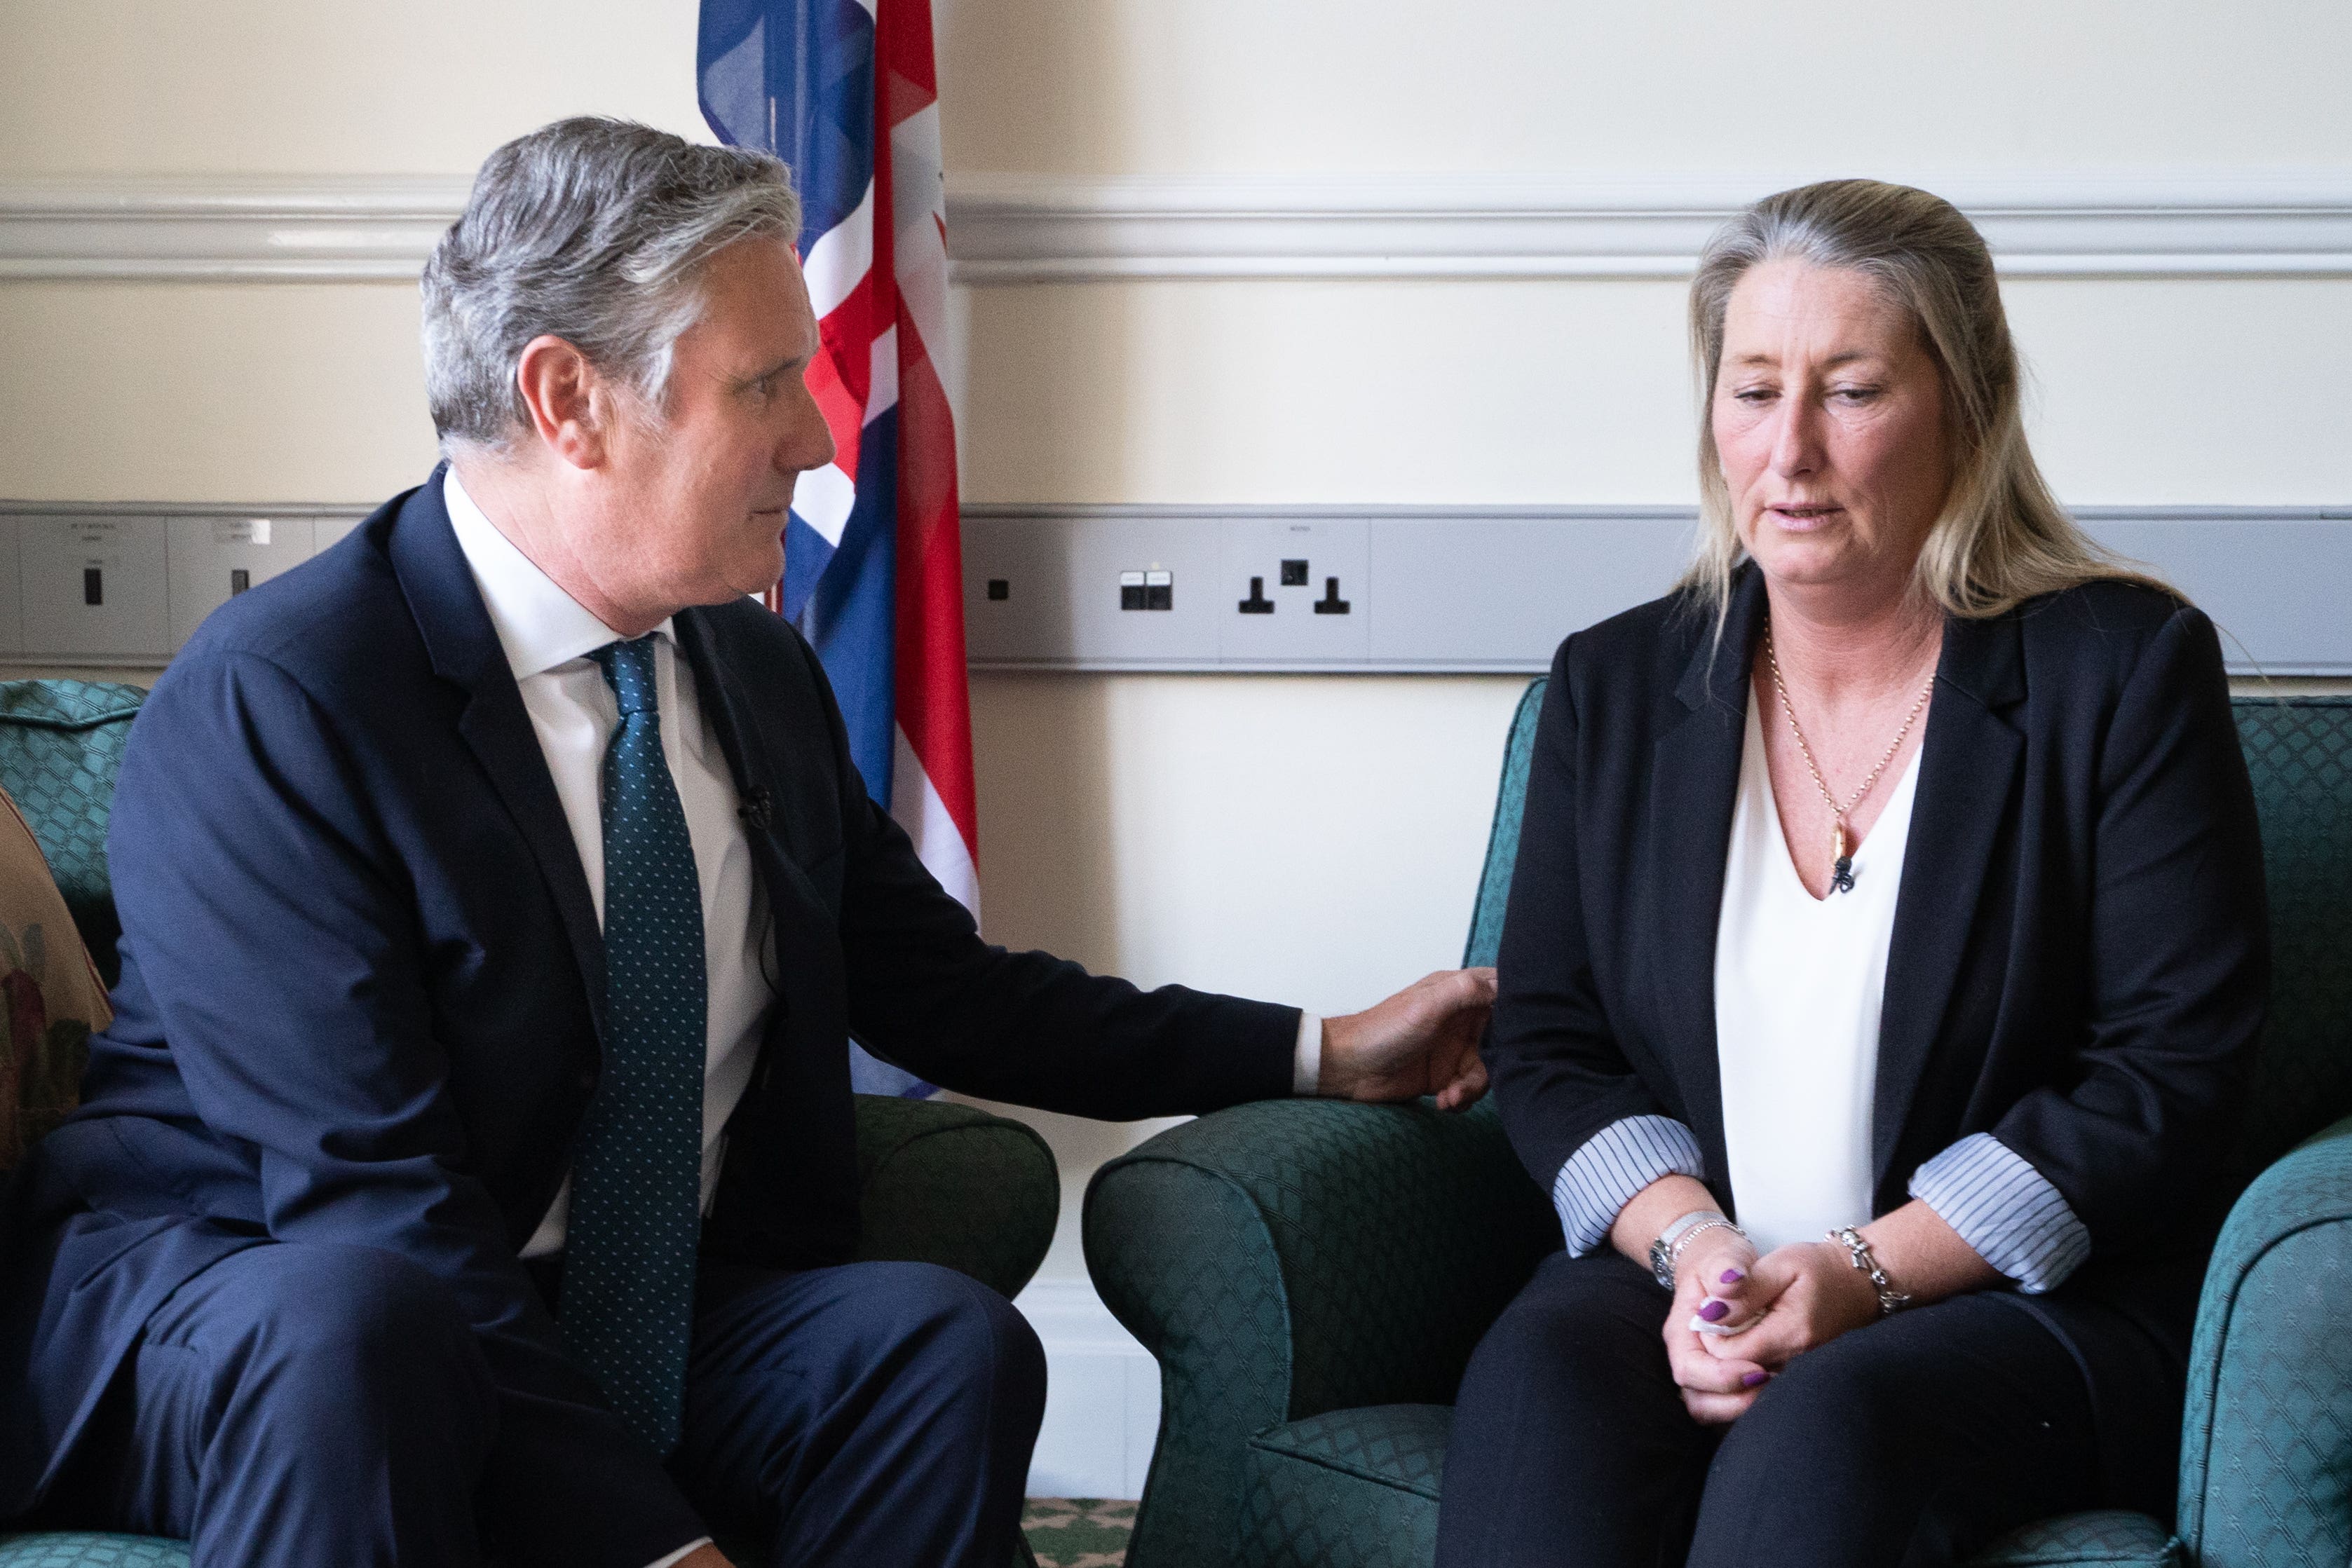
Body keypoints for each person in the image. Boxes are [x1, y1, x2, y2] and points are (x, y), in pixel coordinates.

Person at [0, 117, 1495, 1568]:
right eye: (767, 384)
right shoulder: (286, 698)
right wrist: (662, 1548)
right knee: (366, 1334)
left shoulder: (747, 668)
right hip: (251, 1301)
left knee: (932, 1347)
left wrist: (1320, 1050)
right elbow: (373, 1205)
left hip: (597, 1302)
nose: (820, 437)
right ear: (569, 400)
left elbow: (948, 991)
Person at [1435, 179, 2269, 1567]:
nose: (1791, 451)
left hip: (2015, 1303)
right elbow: (1553, 1043)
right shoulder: (1612, 686)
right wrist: (1698, 1255)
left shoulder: (2122, 671)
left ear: (1968, 411)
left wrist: (1863, 1272)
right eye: (1755, 390)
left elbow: (2164, 1074)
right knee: (1540, 1388)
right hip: (1697, 1269)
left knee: (1822, 1426)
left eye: (1854, 391)